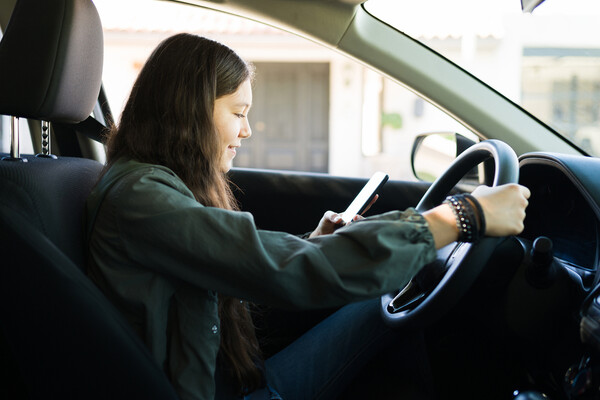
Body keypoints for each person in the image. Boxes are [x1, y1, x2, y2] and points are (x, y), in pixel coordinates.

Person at [85, 33, 530, 400]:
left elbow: (240, 269)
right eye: (238, 113)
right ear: (190, 112)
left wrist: (315, 240)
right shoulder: (143, 198)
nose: (247, 130)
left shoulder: (152, 186)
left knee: (379, 302)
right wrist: (460, 216)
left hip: (229, 384)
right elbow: (278, 268)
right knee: (382, 307)